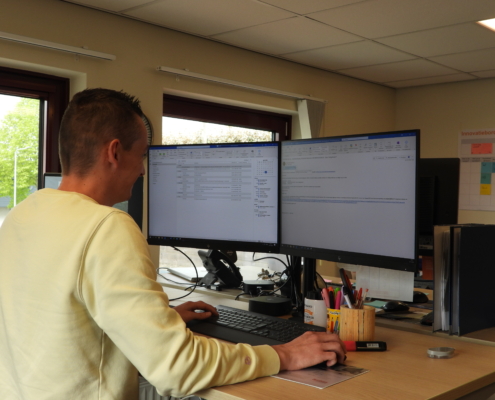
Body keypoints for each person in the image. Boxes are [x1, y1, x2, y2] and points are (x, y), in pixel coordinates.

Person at [0, 88, 345, 399]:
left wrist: (158, 322)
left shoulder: (23, 213)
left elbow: (58, 318)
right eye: (142, 155)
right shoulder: (106, 226)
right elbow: (176, 369)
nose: (143, 171)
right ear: (114, 152)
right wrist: (284, 354)